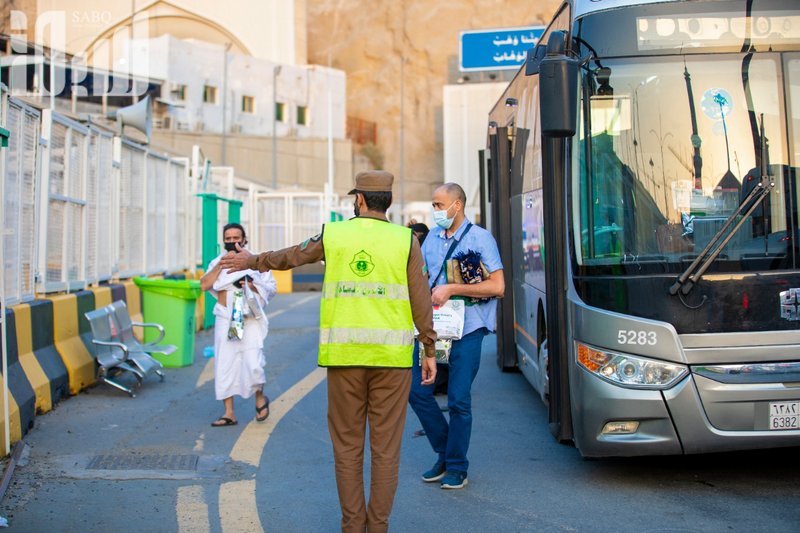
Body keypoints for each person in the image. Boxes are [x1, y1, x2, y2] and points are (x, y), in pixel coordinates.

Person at [219, 170, 437, 533]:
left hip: (344, 361)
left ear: (360, 200)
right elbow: (421, 300)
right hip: (393, 363)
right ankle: (378, 527)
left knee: (348, 448)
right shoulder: (406, 241)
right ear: (389, 202)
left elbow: (292, 256)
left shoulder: (334, 233)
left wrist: (253, 260)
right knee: (385, 452)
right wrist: (430, 350)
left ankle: (353, 526)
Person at [408, 182, 504, 490]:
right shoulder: (430, 240)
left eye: (439, 205)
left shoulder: (481, 239)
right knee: (417, 392)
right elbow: (422, 279)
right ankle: (446, 452)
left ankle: (457, 465)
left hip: (469, 330)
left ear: (457, 205)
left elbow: (497, 287)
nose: (435, 211)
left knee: (459, 399)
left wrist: (453, 288)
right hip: (434, 332)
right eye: (433, 205)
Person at [201, 222, 277, 427]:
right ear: (223, 241)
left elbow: (270, 287)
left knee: (253, 362)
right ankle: (229, 413)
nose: (232, 242)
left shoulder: (255, 261)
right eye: (228, 239)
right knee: (226, 363)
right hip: (228, 317)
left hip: (248, 316)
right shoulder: (218, 262)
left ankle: (260, 397)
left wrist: (251, 283)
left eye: (236, 238)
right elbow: (204, 285)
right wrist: (221, 265)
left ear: (244, 239)